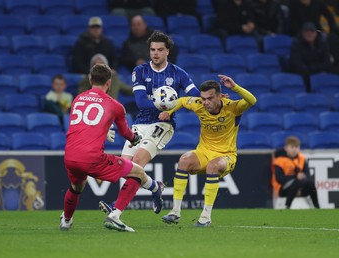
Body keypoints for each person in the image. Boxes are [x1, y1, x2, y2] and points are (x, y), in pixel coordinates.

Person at [60, 64, 163, 232]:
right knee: (137, 172)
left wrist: (102, 129)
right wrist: (135, 138)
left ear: (90, 80)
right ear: (109, 83)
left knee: (77, 186)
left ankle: (66, 220)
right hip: (92, 158)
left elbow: (83, 125)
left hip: (70, 156)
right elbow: (126, 133)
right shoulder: (115, 105)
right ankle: (115, 216)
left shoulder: (78, 99)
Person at [160, 75, 257, 227]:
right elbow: (182, 100)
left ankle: (205, 216)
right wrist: (170, 111)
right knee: (184, 159)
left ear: (219, 96)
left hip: (226, 155)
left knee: (213, 166)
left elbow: (252, 100)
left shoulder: (232, 107)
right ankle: (175, 212)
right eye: (203, 98)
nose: (205, 102)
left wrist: (235, 87)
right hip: (204, 152)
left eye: (210, 98)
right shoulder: (198, 104)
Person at [121, 30, 200, 169]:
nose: (155, 53)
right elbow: (141, 102)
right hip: (141, 122)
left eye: (160, 50)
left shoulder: (179, 73)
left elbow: (196, 95)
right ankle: (154, 186)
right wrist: (166, 105)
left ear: (167, 52)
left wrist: (214, 97)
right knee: (125, 166)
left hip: (163, 123)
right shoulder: (140, 71)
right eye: (152, 50)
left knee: (138, 161)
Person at [271, 136, 320, 209]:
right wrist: (295, 177)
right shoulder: (280, 161)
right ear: (286, 148)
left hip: (300, 188)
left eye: (297, 147)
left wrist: (303, 178)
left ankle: (316, 206)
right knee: (297, 182)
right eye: (292, 147)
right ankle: (287, 206)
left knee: (310, 184)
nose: (294, 150)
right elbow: (279, 179)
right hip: (283, 189)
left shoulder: (301, 159)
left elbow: (307, 174)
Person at [288, 22, 339, 91]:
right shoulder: (296, 45)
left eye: (312, 31)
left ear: (316, 33)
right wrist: (319, 70)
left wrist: (319, 69)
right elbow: (298, 65)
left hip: (318, 70)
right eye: (306, 31)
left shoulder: (322, 44)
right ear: (302, 33)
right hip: (306, 74)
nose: (309, 34)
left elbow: (327, 62)